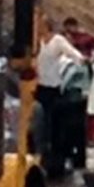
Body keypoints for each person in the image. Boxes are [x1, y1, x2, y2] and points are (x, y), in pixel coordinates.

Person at [37, 18, 85, 173]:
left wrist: (81, 66)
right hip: (37, 87)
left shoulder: (57, 41)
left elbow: (74, 55)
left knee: (51, 124)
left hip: (52, 88)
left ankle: (54, 157)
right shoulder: (35, 41)